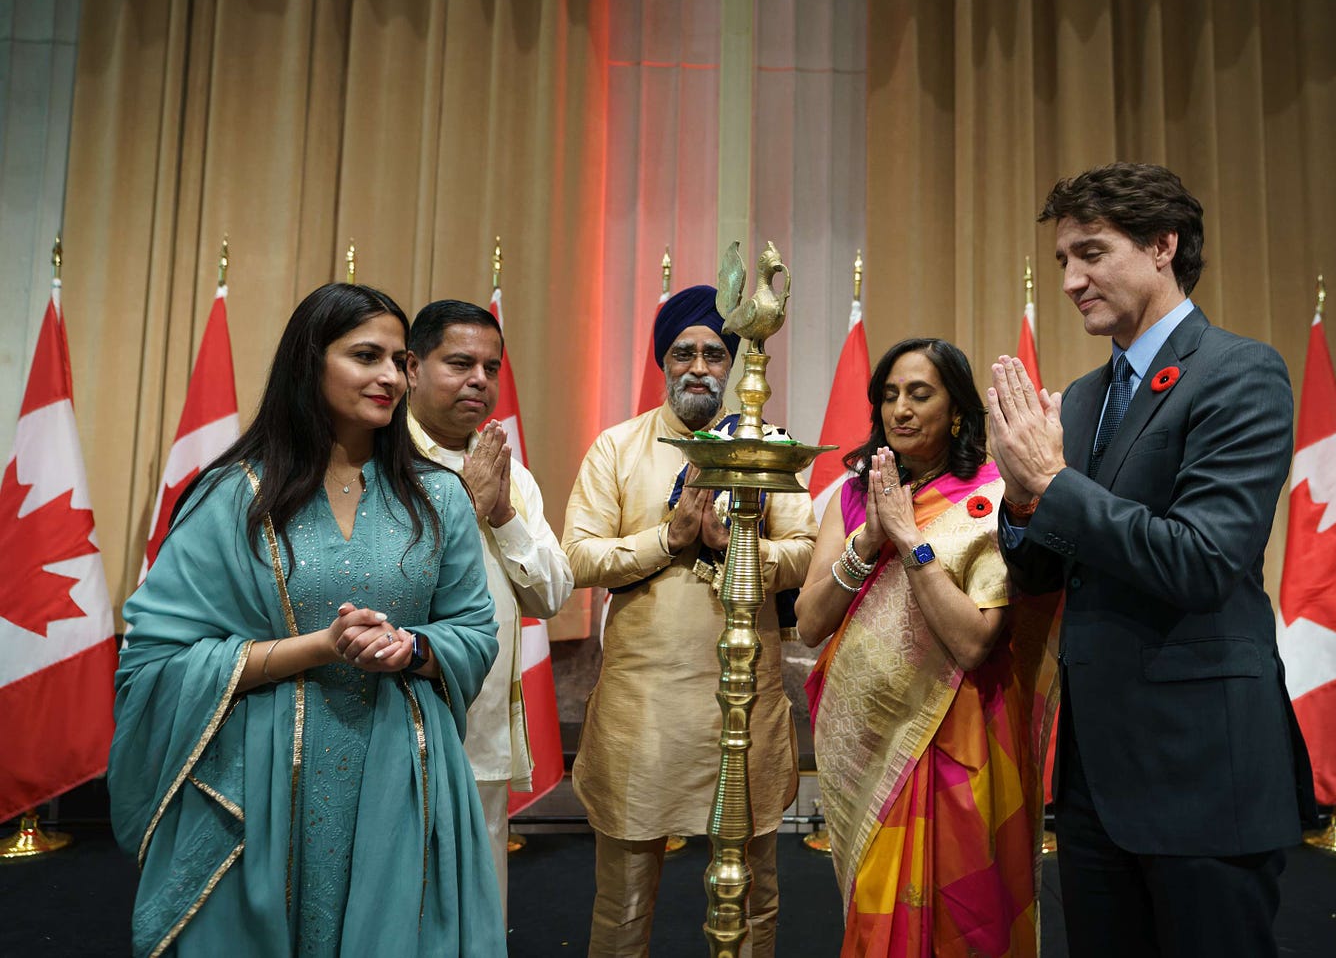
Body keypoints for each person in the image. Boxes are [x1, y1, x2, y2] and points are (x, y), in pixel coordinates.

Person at [110, 282, 507, 956]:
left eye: (398, 360)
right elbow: (157, 657)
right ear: (309, 362)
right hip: (264, 778)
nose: (390, 375)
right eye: (365, 355)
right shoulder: (236, 494)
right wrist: (320, 646)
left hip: (402, 774)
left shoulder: (438, 496)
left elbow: (474, 629)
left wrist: (410, 648)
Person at [988, 162, 1316, 958]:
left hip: (1203, 772)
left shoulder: (1240, 373)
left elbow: (1203, 558)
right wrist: (1025, 500)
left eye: (1091, 253)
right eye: (1065, 258)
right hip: (1096, 778)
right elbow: (1039, 572)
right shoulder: (1082, 398)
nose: (1071, 279)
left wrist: (1052, 484)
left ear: (1163, 245)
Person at [562, 285, 817, 956]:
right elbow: (579, 557)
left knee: (755, 892)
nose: (699, 366)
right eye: (684, 353)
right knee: (622, 900)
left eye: (712, 352)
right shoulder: (616, 449)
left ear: (731, 365)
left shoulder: (767, 450)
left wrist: (737, 547)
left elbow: (807, 554)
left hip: (742, 709)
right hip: (642, 711)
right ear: (663, 362)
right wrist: (669, 539)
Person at [797, 338, 1047, 957]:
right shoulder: (855, 496)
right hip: (869, 738)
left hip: (959, 737)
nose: (900, 410)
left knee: (964, 915)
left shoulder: (993, 501)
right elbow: (807, 624)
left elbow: (971, 643)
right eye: (888, 395)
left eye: (919, 393)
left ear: (957, 410)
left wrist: (912, 543)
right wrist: (867, 541)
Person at [405, 298, 574, 917]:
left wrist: (501, 512)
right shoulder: (373, 459)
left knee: (478, 907)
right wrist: (465, 506)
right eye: (460, 363)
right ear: (412, 368)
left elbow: (552, 594)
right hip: (391, 721)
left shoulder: (510, 472)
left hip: (481, 728)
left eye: (491, 367)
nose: (480, 378)